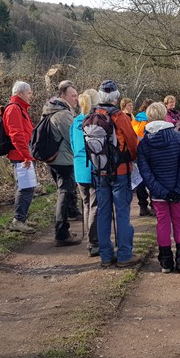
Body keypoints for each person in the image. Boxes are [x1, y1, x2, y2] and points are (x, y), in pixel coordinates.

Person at [137, 102, 180, 274]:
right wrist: (178, 189)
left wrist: (160, 191)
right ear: (164, 115)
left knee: (162, 224)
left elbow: (146, 174)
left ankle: (166, 263)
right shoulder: (179, 138)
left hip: (159, 193)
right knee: (179, 223)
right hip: (179, 191)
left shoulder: (144, 144)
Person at [92, 79, 140, 268]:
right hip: (119, 171)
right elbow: (132, 140)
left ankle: (105, 255)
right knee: (122, 212)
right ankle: (124, 255)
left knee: (103, 212)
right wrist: (132, 159)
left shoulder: (93, 113)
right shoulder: (118, 116)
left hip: (98, 170)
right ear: (115, 97)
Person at [41, 80, 82, 247]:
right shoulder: (63, 115)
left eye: (77, 96)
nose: (76, 99)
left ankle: (63, 229)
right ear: (63, 96)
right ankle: (61, 234)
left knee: (63, 193)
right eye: (73, 96)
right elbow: (72, 138)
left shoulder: (49, 111)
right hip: (63, 161)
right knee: (64, 195)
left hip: (54, 159)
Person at [4, 80, 37, 234]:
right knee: (25, 187)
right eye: (29, 92)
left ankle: (22, 218)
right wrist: (26, 156)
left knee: (27, 186)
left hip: (23, 155)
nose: (31, 95)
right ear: (20, 93)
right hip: (21, 156)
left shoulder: (20, 108)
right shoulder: (14, 109)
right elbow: (17, 135)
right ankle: (18, 220)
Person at [72, 88, 100, 257]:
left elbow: (73, 146)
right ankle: (94, 242)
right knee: (94, 204)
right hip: (93, 166)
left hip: (79, 167)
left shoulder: (75, 122)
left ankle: (91, 241)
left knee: (86, 204)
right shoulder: (94, 122)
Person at [131, 98, 155, 217]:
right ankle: (154, 205)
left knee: (140, 180)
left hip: (138, 152)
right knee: (152, 178)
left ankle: (142, 205)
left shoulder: (136, 119)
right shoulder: (150, 120)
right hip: (150, 152)